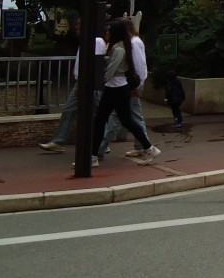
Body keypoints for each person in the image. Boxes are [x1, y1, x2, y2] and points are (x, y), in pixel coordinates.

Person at [89, 20, 159, 166]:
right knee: (125, 120)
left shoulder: (119, 49)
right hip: (118, 88)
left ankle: (93, 156)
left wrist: (99, 82)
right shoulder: (120, 46)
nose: (107, 33)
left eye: (109, 31)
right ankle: (149, 148)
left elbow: (110, 71)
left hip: (115, 88)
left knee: (104, 120)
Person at [39, 20, 105, 153]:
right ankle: (59, 141)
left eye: (80, 28)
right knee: (72, 110)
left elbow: (94, 64)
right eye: (77, 28)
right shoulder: (85, 41)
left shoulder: (96, 42)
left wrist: (83, 83)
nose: (78, 31)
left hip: (89, 83)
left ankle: (103, 142)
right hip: (82, 82)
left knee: (97, 113)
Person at [106, 16, 151, 158]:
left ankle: (98, 149)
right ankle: (142, 146)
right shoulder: (131, 42)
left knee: (119, 117)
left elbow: (138, 65)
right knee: (134, 116)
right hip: (130, 85)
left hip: (130, 86)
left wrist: (136, 86)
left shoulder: (134, 43)